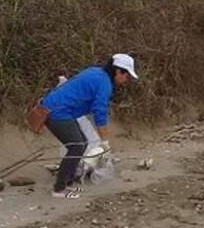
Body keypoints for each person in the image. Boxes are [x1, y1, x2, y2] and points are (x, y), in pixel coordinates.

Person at [40, 53, 138, 199]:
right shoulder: (104, 84)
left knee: (83, 143)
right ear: (118, 71)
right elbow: (100, 113)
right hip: (56, 112)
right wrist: (104, 142)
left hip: (59, 110)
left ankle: (68, 183)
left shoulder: (97, 73)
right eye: (127, 76)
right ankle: (58, 189)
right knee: (77, 146)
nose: (126, 80)